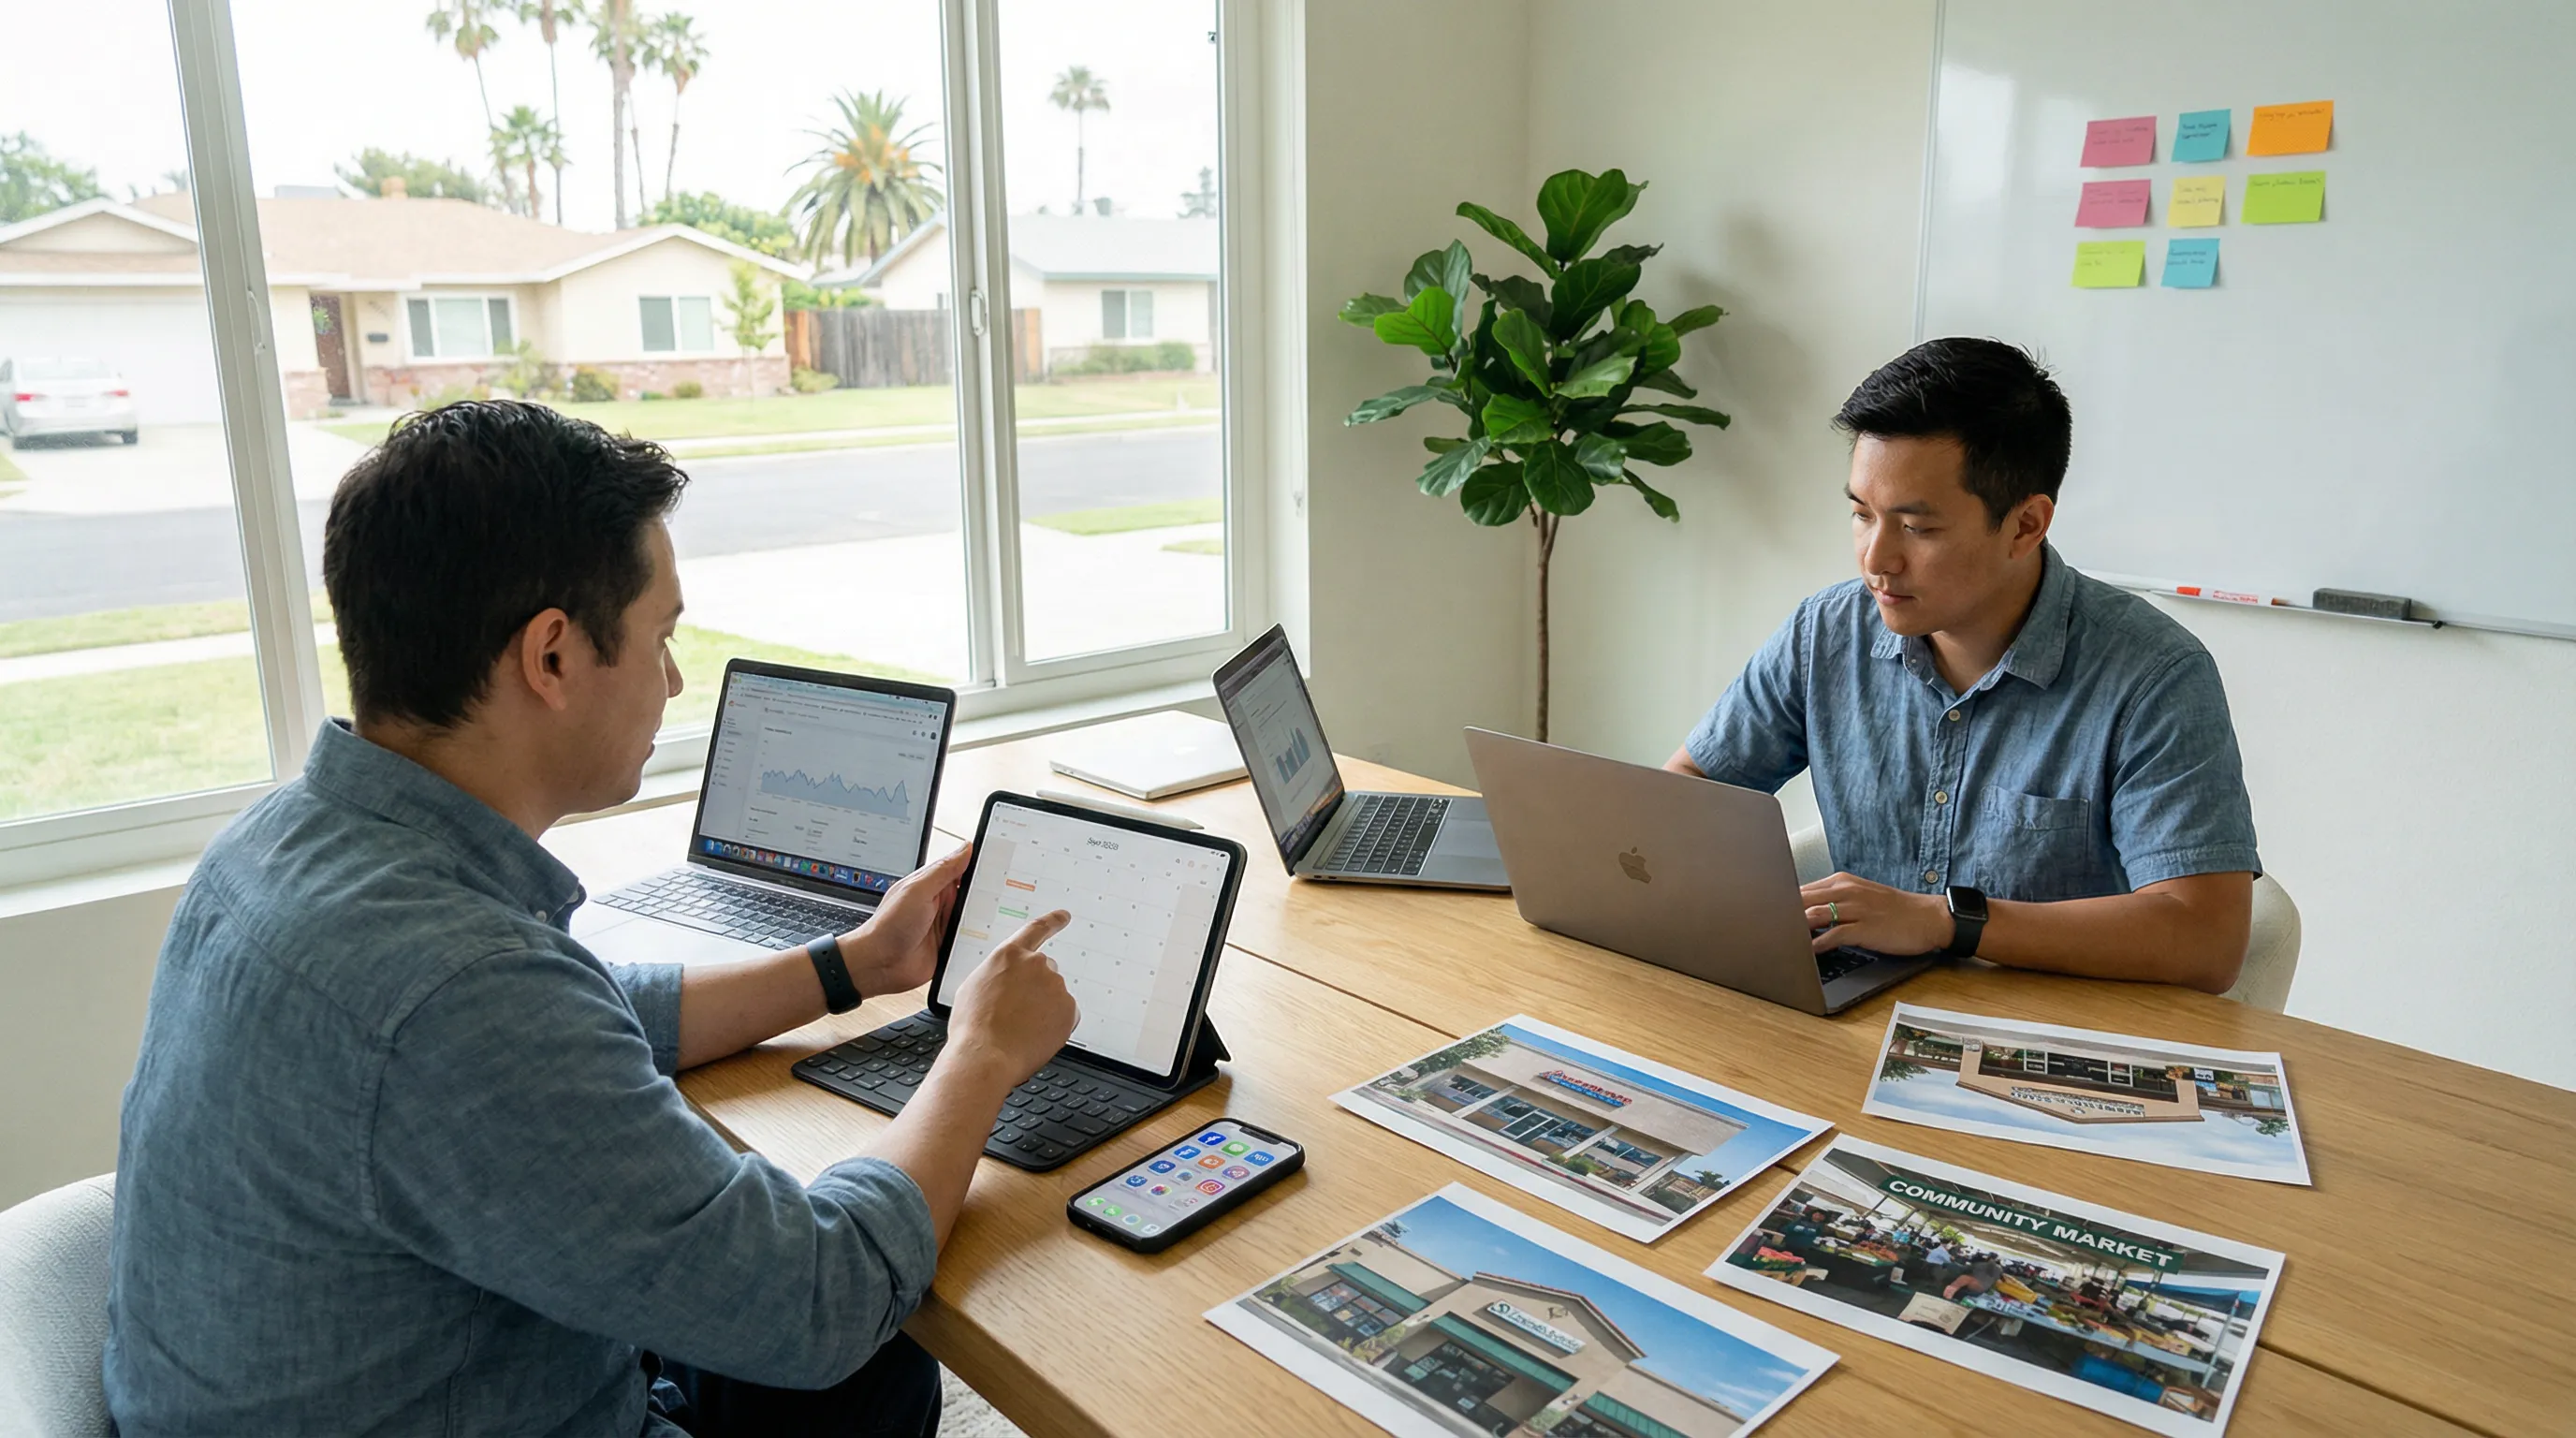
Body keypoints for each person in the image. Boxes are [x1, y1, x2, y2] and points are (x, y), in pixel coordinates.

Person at [105, 401, 1081, 1437]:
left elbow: (591, 1016)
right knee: (864, 1347)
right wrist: (978, 1054)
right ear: (554, 657)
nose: (669, 681)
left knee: (860, 1376)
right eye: (661, 635)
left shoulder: (280, 846)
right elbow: (820, 1299)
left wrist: (853, 964)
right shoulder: (456, 990)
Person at [1666, 338, 2261, 991]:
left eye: (1918, 529)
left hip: (2051, 1036)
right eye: (1862, 515)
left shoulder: (2154, 675)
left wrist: (1950, 922)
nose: (1876, 559)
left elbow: (2205, 939)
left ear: (2026, 525)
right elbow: (1690, 789)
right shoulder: (1826, 631)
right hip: (1854, 1008)